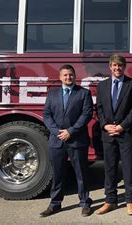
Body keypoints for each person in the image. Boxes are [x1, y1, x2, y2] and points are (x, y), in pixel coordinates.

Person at [41, 64, 93, 217]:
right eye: (65, 75)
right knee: (57, 174)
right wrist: (57, 132)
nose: (68, 77)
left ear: (75, 76)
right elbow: (46, 115)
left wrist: (70, 131)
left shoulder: (84, 93)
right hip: (57, 140)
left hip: (76, 140)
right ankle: (55, 203)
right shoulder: (52, 94)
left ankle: (84, 203)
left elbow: (86, 115)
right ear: (60, 77)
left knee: (81, 173)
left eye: (71, 75)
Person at [95, 54, 132, 216]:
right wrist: (105, 125)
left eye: (120, 66)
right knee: (109, 168)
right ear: (110, 67)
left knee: (128, 168)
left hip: (126, 133)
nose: (117, 68)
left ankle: (130, 201)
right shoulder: (102, 86)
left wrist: (122, 126)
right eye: (114, 66)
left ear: (124, 67)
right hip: (108, 134)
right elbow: (99, 108)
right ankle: (110, 201)